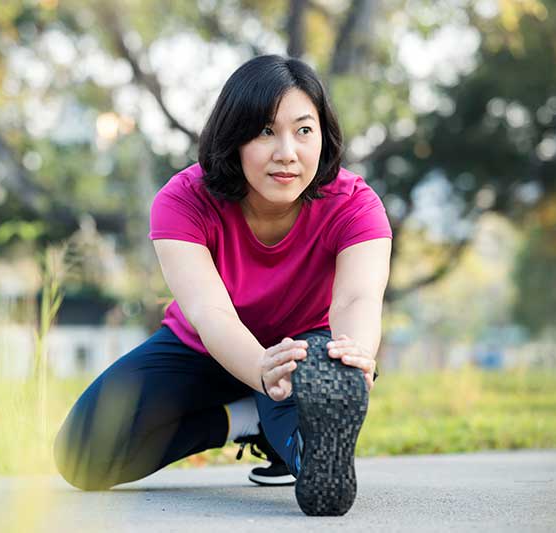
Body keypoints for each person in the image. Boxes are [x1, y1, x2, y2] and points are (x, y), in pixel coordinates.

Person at [53, 54, 392, 516]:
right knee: (81, 456)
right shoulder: (183, 201)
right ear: (233, 137)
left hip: (303, 352)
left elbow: (358, 297)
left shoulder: (355, 203)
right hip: (203, 346)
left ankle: (296, 446)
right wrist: (259, 371)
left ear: (324, 136)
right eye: (265, 131)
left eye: (303, 130)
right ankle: (249, 419)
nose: (287, 152)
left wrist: (353, 355)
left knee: (312, 441)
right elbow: (209, 312)